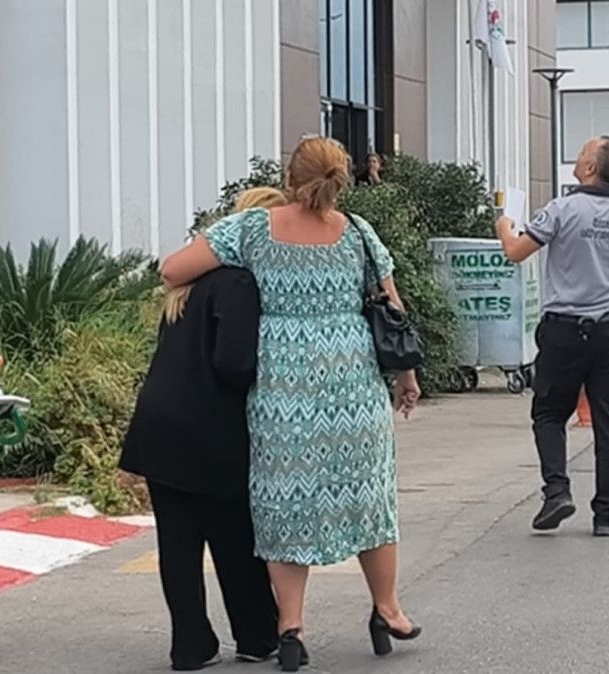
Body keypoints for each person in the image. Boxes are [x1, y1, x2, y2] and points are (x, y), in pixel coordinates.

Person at [159, 137, 421, 672]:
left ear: (289, 178)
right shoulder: (359, 233)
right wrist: (407, 377)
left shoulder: (254, 229)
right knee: (369, 495)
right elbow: (391, 306)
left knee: (284, 499)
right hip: (353, 383)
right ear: (343, 179)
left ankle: (291, 627)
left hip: (282, 386)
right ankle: (387, 609)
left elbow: (173, 269)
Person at [119, 187, 286, 671]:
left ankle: (190, 646)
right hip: (211, 428)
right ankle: (257, 635)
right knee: (234, 536)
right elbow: (234, 364)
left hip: (158, 425)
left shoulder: (185, 287)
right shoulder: (239, 283)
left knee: (177, 544)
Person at [494, 136, 609, 538]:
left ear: (590, 168)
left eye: (582, 154)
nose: (578, 158)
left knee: (549, 413)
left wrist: (504, 227)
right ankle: (607, 515)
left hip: (564, 329)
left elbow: (516, 252)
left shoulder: (561, 210)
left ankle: (557, 491)